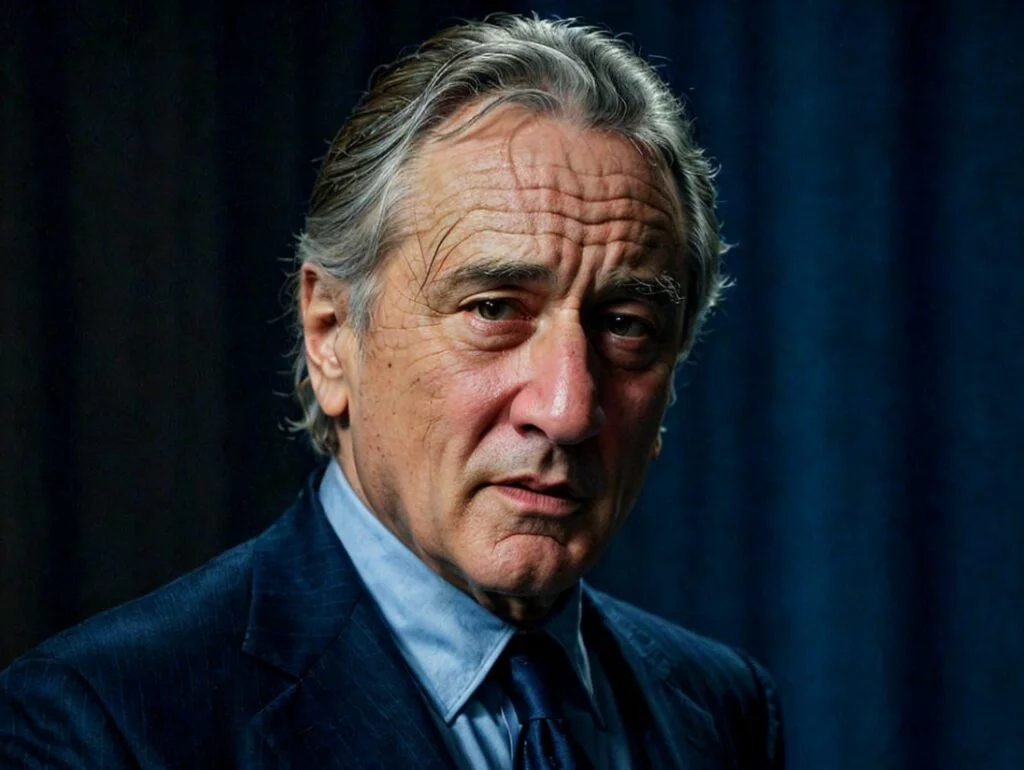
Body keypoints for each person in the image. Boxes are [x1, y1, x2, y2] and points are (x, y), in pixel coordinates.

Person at [0, 15, 784, 769]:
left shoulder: (723, 712)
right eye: (493, 310)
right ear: (330, 335)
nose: (567, 409)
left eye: (625, 325)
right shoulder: (101, 724)